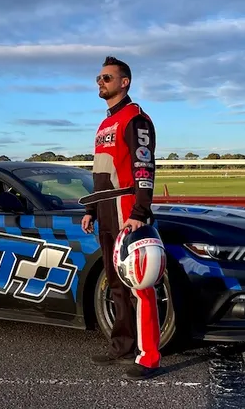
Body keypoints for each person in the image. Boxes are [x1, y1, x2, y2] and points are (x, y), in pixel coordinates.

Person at [80, 56, 160, 381]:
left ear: (124, 82)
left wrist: (139, 213)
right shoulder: (103, 124)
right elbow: (100, 174)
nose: (101, 82)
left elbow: (144, 167)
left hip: (128, 210)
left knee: (140, 283)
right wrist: (90, 210)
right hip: (105, 211)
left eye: (107, 78)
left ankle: (150, 356)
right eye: (98, 78)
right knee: (115, 282)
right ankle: (123, 345)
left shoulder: (136, 118)